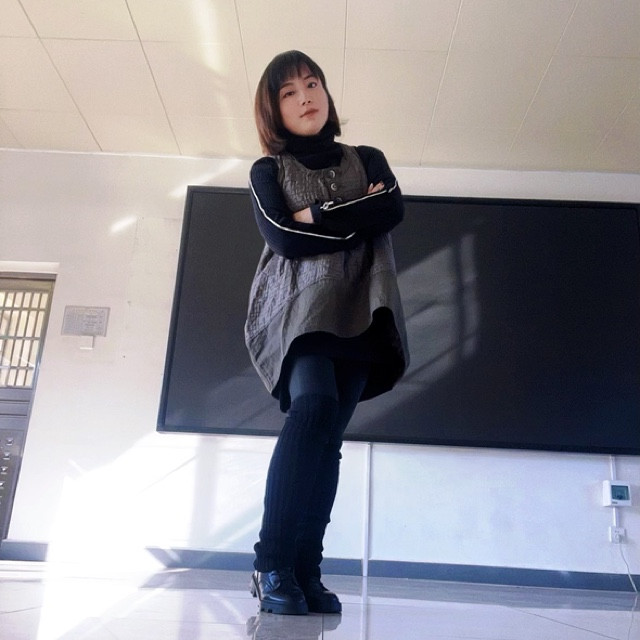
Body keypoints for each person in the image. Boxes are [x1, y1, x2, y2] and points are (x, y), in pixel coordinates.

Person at [245, 50, 409, 616]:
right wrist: (352, 213)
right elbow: (282, 238)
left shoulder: (368, 157)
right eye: (288, 92)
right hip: (297, 309)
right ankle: (270, 564)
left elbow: (390, 208)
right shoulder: (266, 171)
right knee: (312, 408)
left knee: (329, 440)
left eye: (311, 84)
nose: (305, 97)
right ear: (273, 110)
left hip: (361, 303)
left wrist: (314, 215)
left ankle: (305, 570)